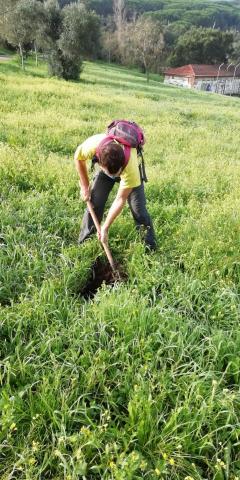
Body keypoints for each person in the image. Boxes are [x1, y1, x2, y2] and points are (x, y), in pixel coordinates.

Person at [74, 131, 156, 250]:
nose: (115, 177)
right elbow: (78, 158)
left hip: (128, 169)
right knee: (95, 203)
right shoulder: (93, 145)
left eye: (117, 174)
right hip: (106, 168)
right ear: (100, 163)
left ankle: (149, 249)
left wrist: (105, 228)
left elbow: (120, 199)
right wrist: (85, 187)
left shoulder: (130, 167)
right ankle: (84, 244)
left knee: (139, 211)